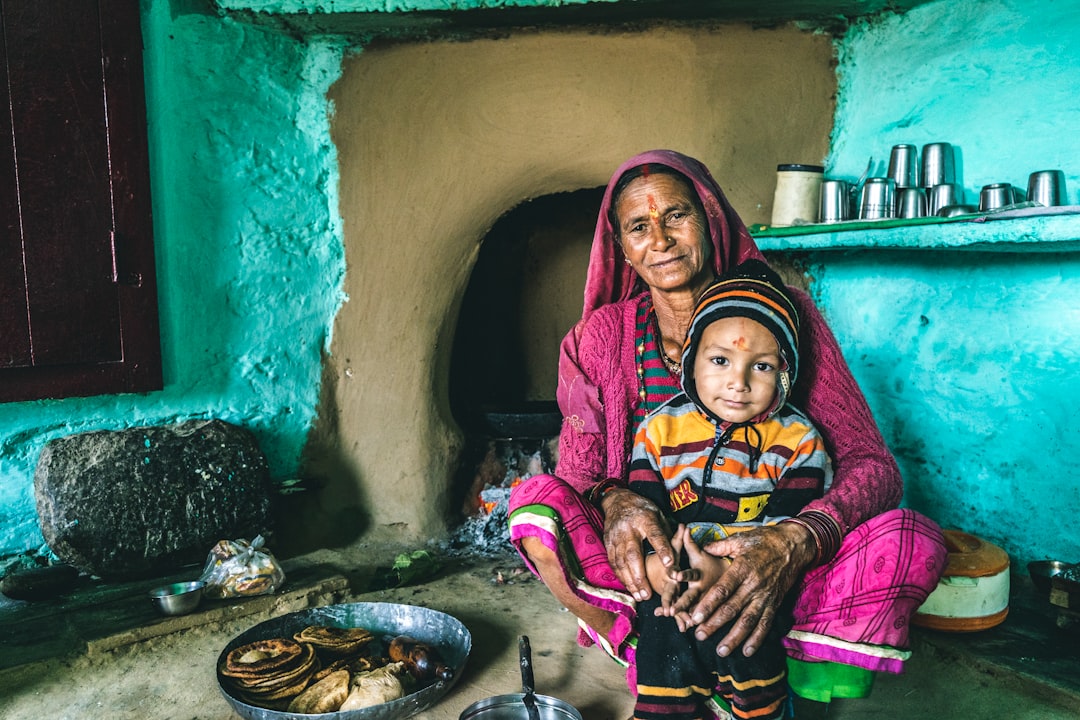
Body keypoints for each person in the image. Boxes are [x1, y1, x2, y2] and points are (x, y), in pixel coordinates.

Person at [507, 150, 947, 720]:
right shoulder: (600, 338)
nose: (660, 239)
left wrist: (793, 541)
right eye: (639, 226)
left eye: (676, 216)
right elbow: (581, 477)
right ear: (621, 245)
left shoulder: (788, 319)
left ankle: (774, 668)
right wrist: (618, 501)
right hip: (663, 563)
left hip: (770, 542)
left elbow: (873, 465)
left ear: (711, 220)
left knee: (913, 538)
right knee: (536, 505)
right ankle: (660, 657)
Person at [631, 259, 832, 720]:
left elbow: (790, 529)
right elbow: (646, 519)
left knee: (750, 630)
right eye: (720, 360)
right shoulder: (658, 433)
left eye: (760, 367)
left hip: (753, 579)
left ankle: (760, 709)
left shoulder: (797, 441)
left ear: (784, 375)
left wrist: (725, 574)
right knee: (662, 634)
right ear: (690, 359)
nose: (738, 384)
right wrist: (661, 572)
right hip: (676, 575)